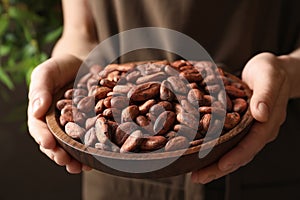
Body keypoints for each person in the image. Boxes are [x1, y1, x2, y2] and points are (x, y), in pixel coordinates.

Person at [27, 0, 300, 199]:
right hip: (118, 175)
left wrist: (286, 71)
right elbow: (81, 31)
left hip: (264, 161)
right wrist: (75, 64)